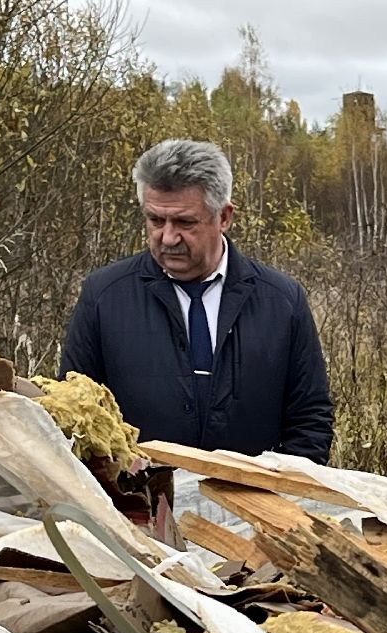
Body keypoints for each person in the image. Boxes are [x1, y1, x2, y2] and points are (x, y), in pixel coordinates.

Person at [60, 139, 333, 462]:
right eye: (156, 220)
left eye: (185, 222)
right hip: (134, 505)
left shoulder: (282, 301)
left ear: (224, 217)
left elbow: (310, 419)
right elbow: (74, 411)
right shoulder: (104, 295)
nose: (168, 237)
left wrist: (282, 497)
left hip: (257, 505)